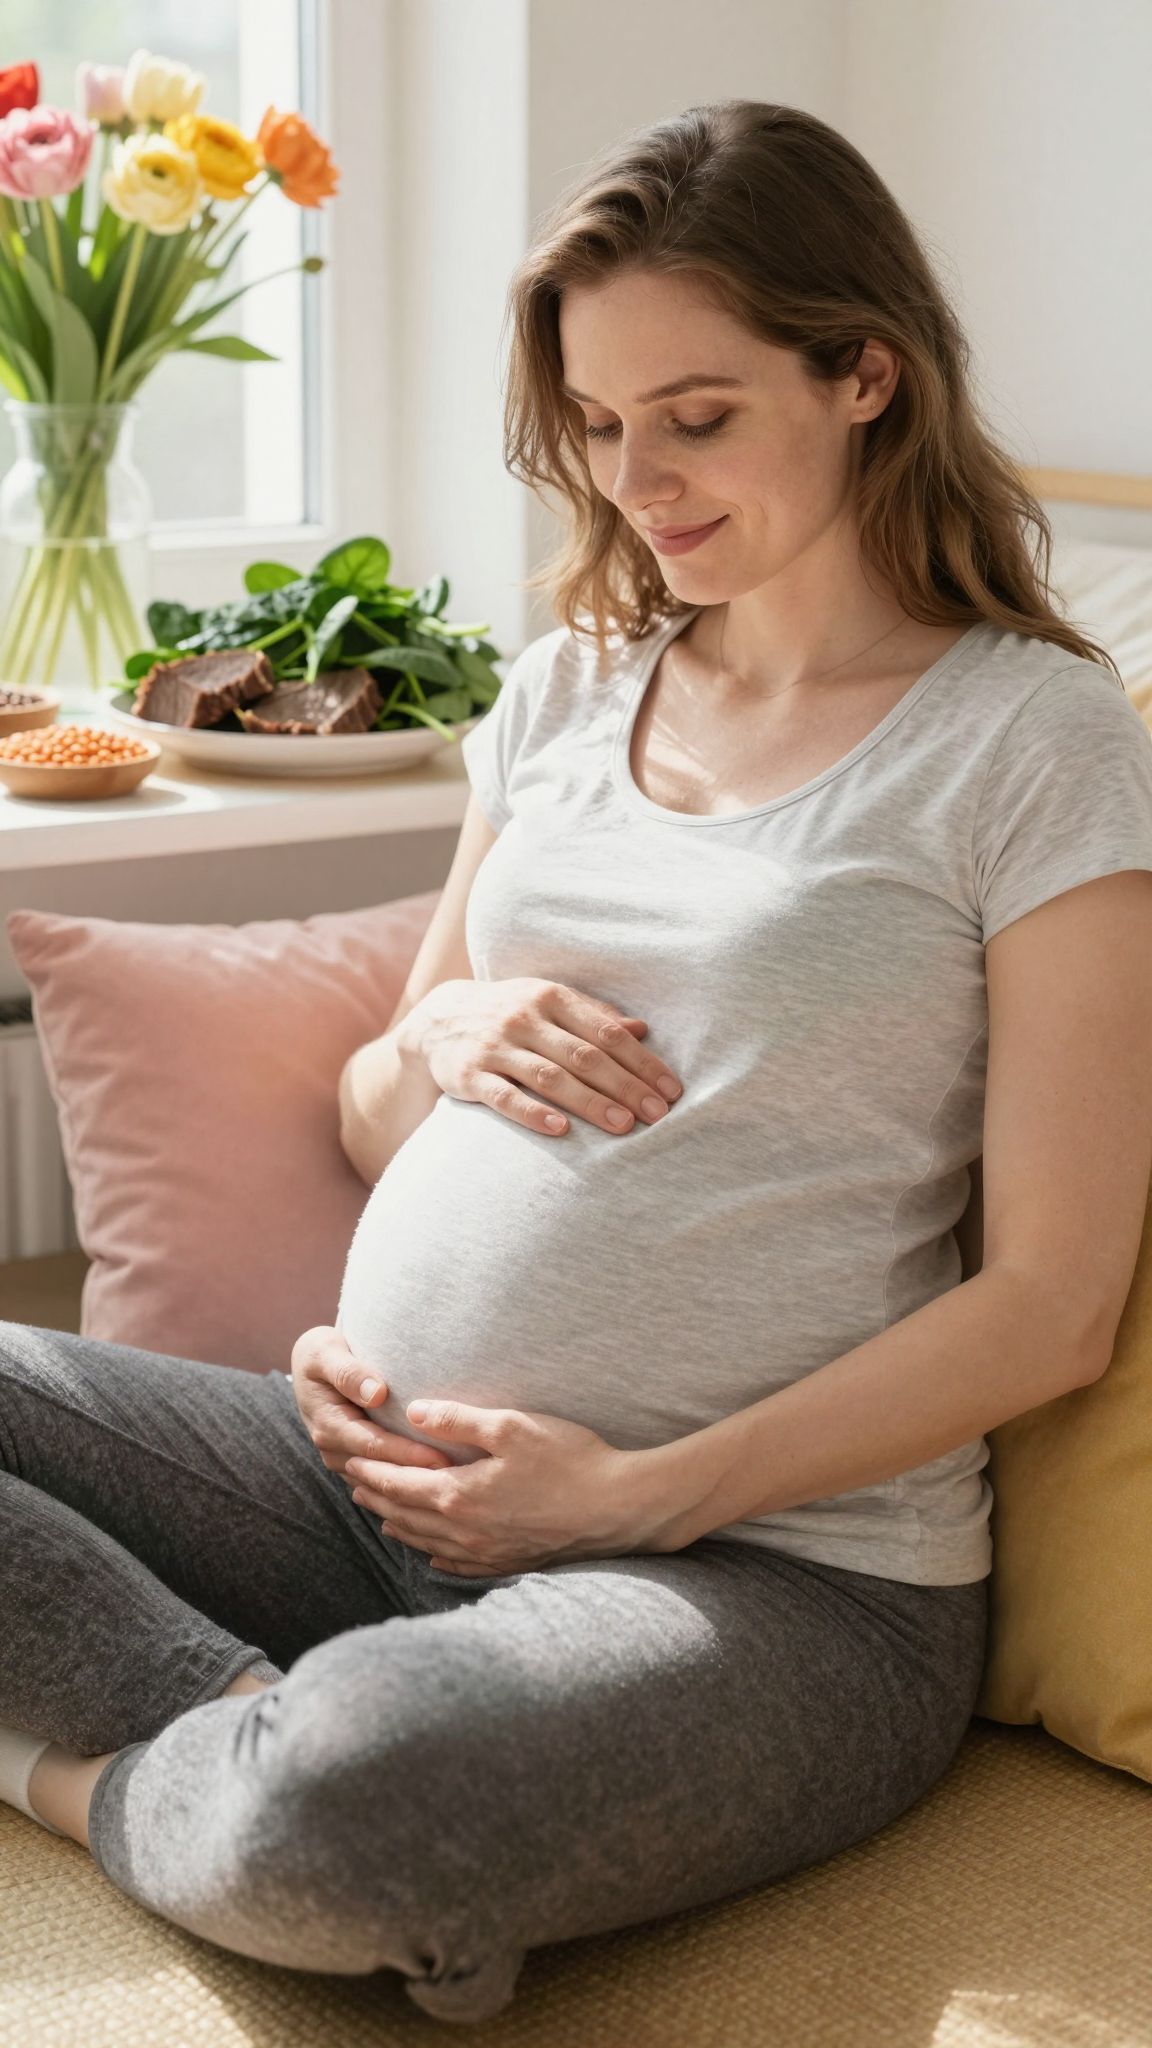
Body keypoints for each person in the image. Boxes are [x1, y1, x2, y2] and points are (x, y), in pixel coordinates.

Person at [4, 98, 1152, 2028]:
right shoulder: (567, 689)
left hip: (775, 1578)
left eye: (695, 417)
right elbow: (377, 1114)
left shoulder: (1036, 745)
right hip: (366, 1479)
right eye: (601, 427)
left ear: (864, 371)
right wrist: (436, 1030)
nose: (637, 481)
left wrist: (631, 1497)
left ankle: (135, 1773)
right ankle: (251, 1746)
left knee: (361, 1803)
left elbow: (1053, 1304)